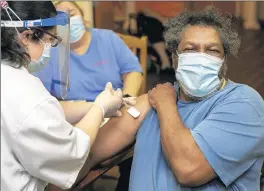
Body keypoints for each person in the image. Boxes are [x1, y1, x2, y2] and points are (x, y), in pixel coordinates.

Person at [72, 7, 264, 191]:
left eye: (212, 51)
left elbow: (188, 168)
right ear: (174, 58)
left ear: (224, 61)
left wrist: (165, 103)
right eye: (190, 49)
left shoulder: (245, 104)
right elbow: (88, 155)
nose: (200, 57)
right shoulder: (151, 100)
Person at [0, 1, 134, 190]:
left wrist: (95, 105)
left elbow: (47, 109)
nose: (51, 46)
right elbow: (71, 154)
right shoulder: (28, 94)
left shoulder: (9, 76)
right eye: (49, 39)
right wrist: (99, 108)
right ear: (26, 36)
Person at [34, 2, 143, 123]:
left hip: (117, 111)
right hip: (77, 117)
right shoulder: (49, 52)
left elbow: (132, 71)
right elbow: (41, 96)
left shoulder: (108, 39)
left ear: (82, 16)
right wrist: (98, 109)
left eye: (71, 14)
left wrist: (126, 98)